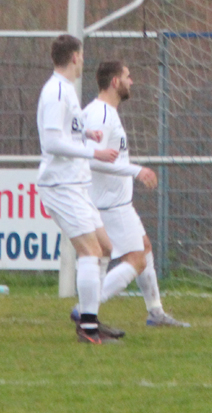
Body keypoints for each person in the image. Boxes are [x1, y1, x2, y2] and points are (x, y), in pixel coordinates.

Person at [79, 61, 190, 328]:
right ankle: (86, 307)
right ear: (115, 82)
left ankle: (155, 312)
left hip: (117, 203)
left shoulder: (104, 112)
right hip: (110, 204)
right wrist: (136, 170)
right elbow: (90, 159)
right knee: (137, 259)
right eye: (128, 77)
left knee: (145, 248)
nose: (133, 81)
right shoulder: (102, 115)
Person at [36, 34, 121, 344]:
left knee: (105, 248)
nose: (83, 60)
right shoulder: (56, 91)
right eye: (81, 55)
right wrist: (93, 151)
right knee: (90, 251)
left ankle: (91, 317)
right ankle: (87, 330)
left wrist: (87, 131)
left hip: (76, 183)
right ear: (74, 57)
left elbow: (68, 130)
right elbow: (52, 142)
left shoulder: (67, 91)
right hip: (61, 184)